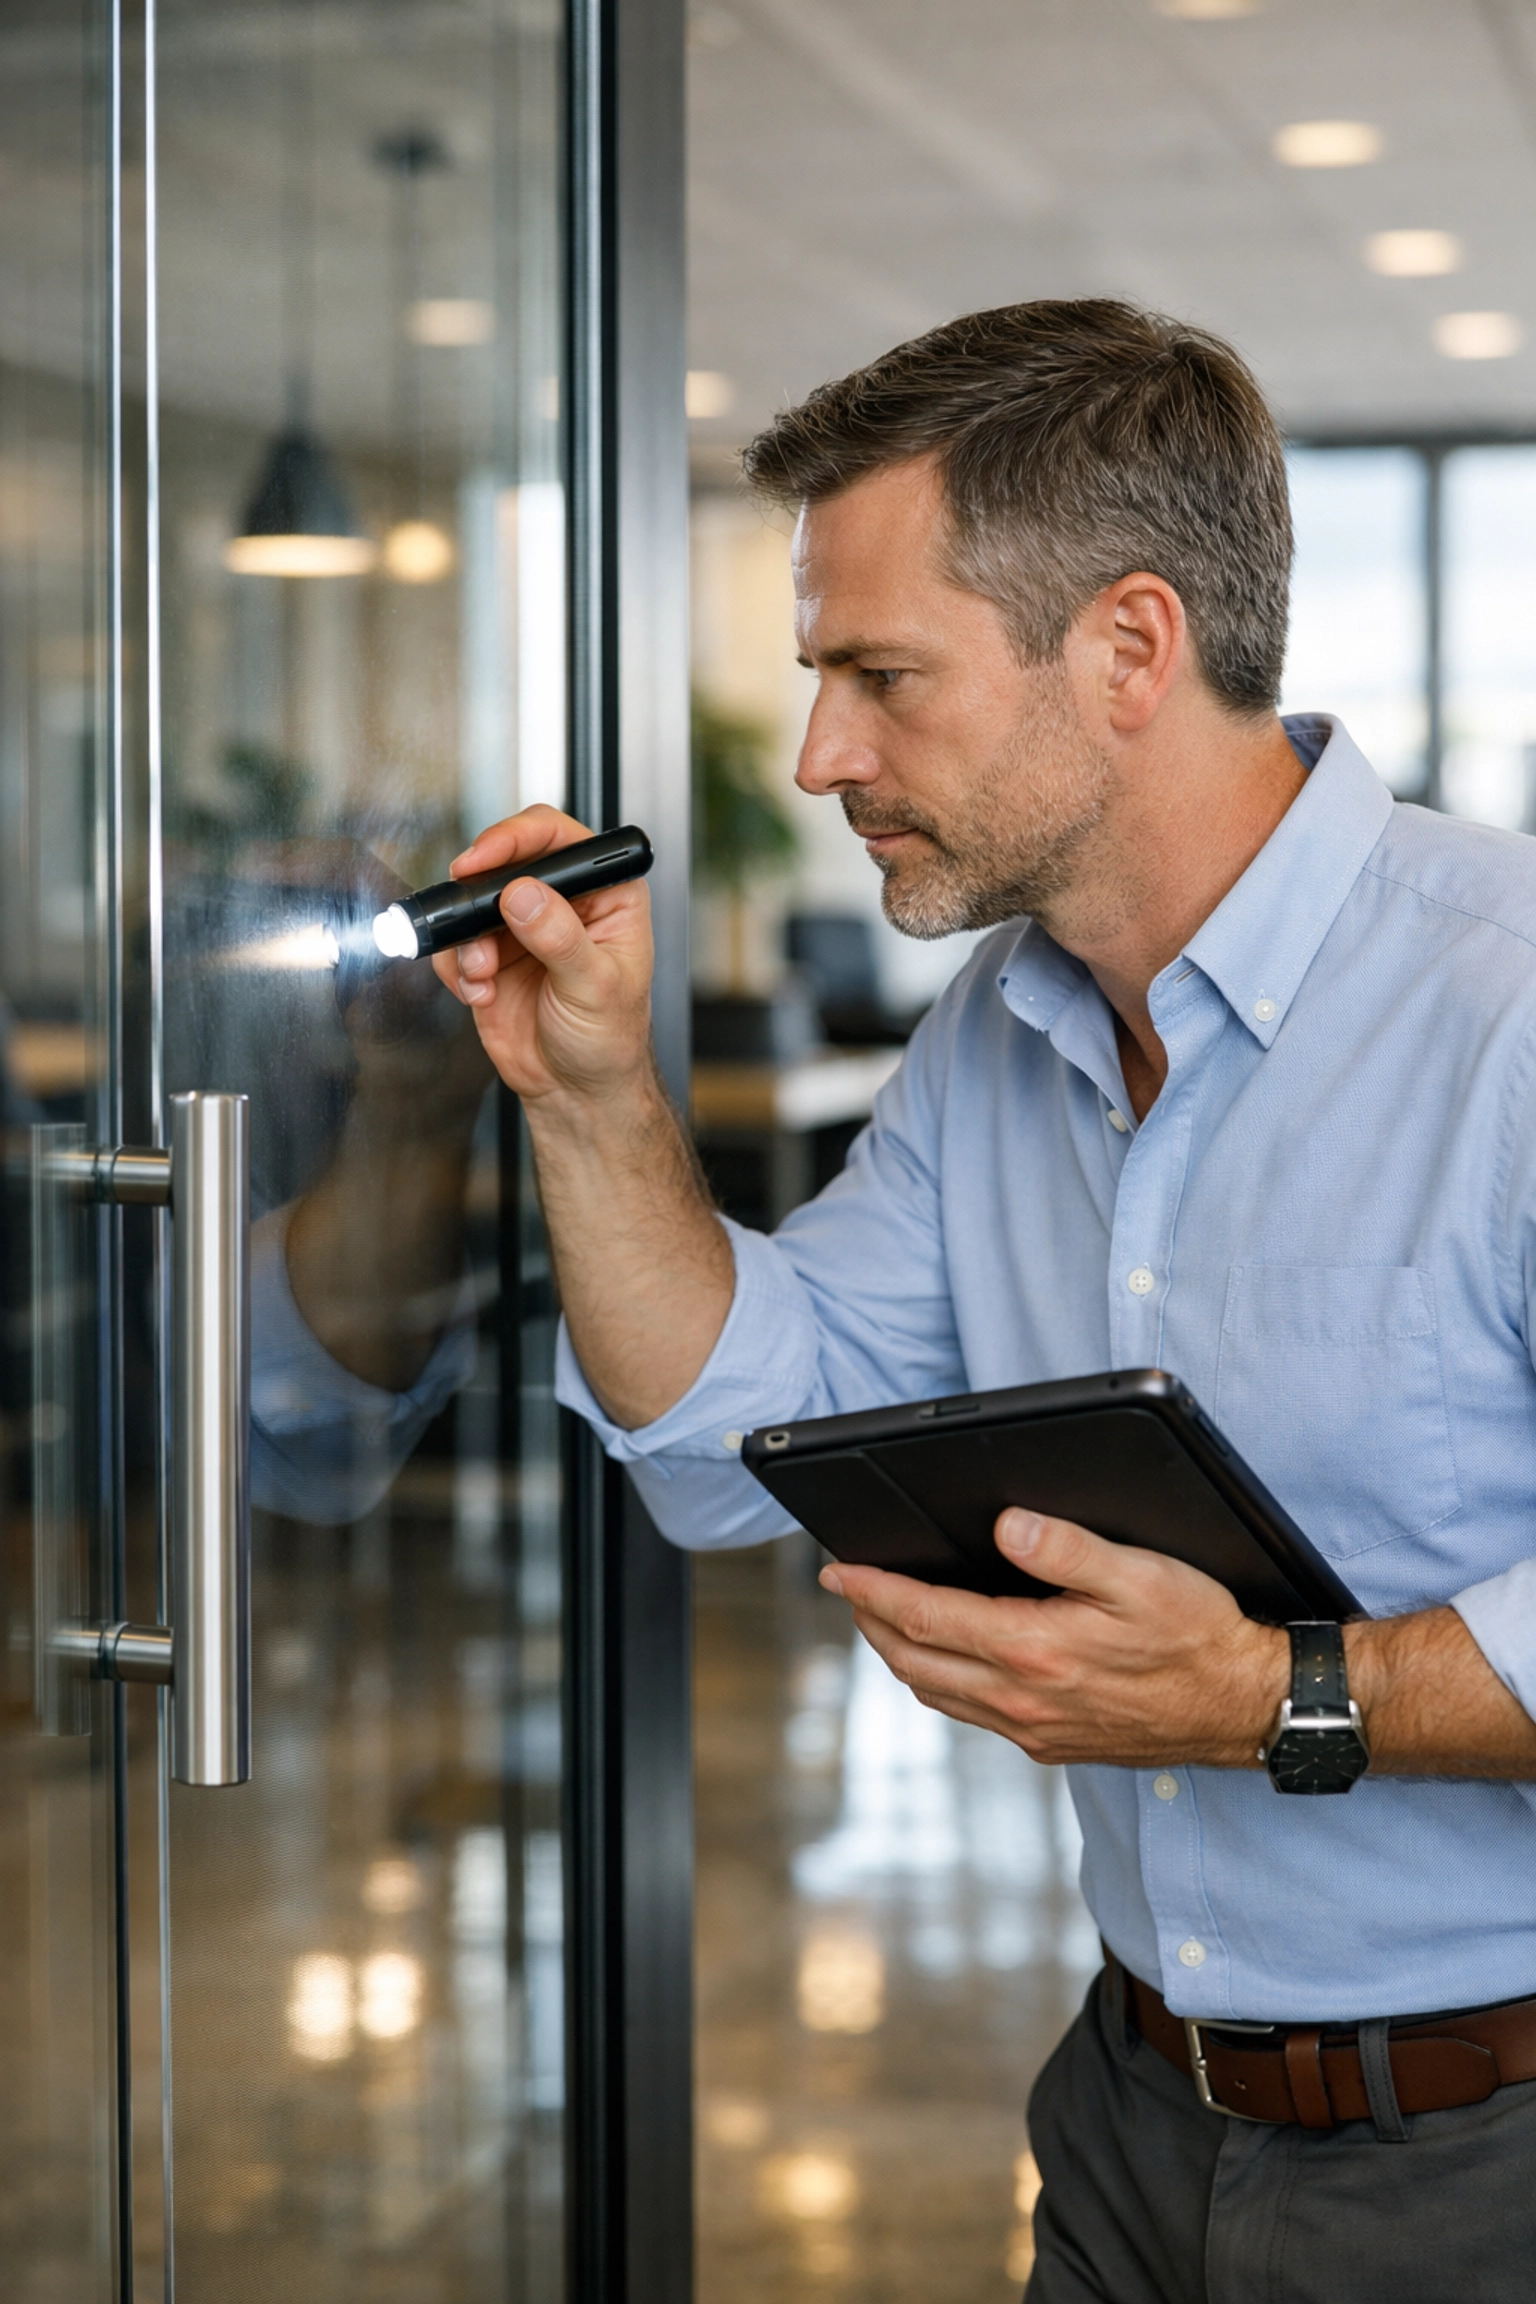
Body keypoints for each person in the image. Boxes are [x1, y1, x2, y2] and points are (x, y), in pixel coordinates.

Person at [435, 301, 1536, 2300]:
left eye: (882, 677)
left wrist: (1271, 1698)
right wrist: (588, 1095)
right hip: (1129, 2122)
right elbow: (721, 1445)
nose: (819, 756)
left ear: (1129, 647)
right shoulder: (989, 1046)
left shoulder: (1513, 1007)